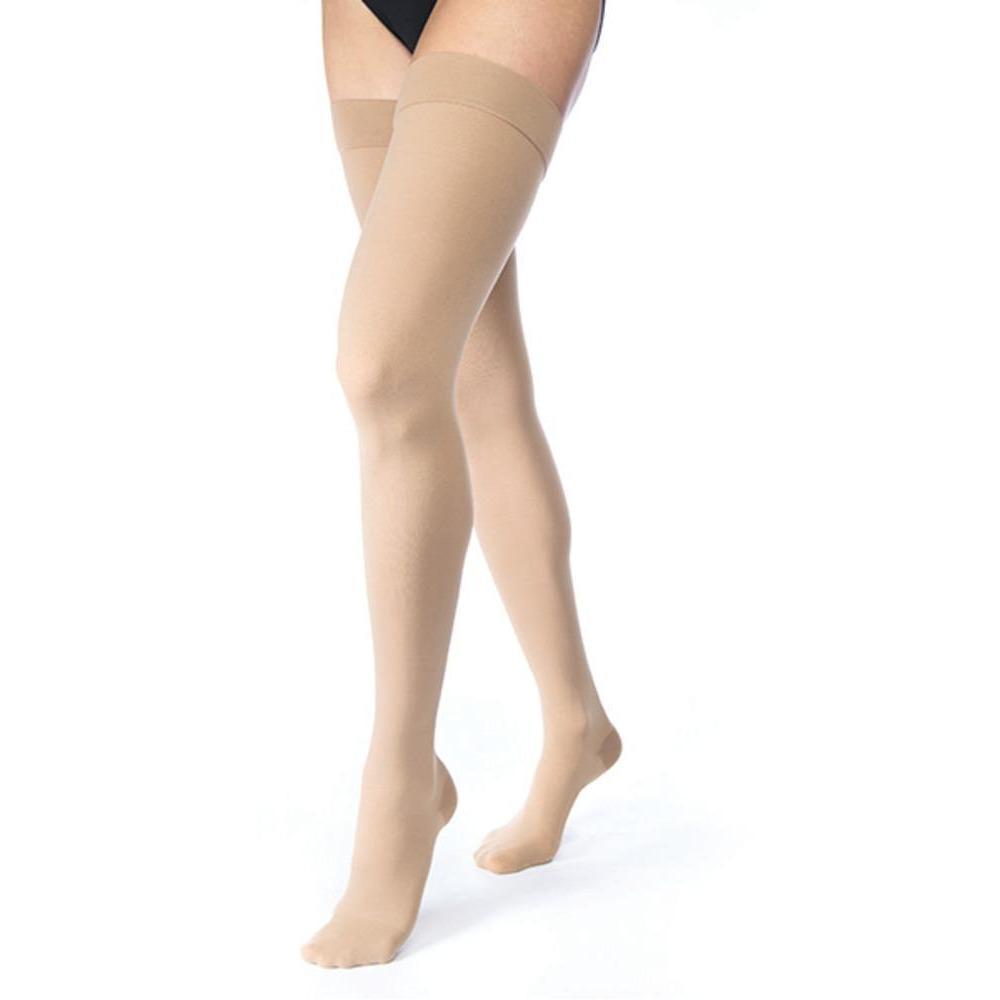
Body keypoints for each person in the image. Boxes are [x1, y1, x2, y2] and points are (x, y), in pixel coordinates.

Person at [302, 0, 620, 968]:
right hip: (362, 15)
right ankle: (577, 721)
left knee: (385, 369)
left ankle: (401, 783)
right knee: (470, 371)